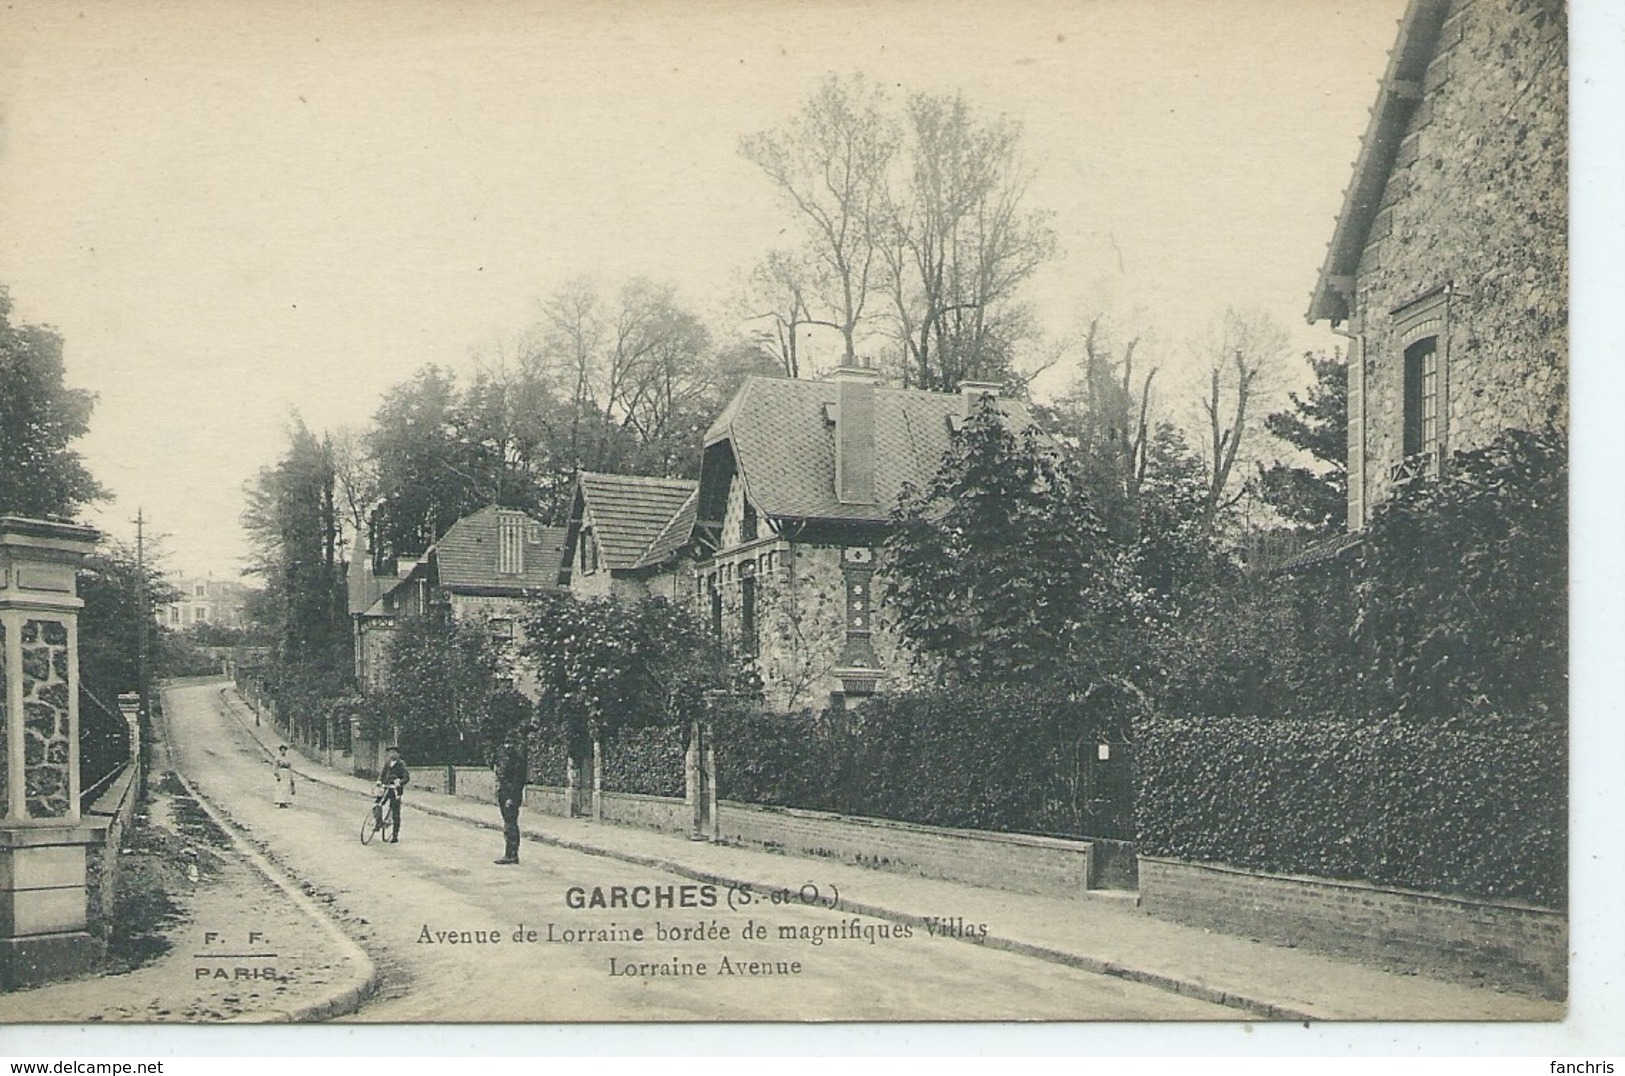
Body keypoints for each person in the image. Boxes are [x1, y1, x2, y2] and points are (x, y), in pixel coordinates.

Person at [493, 729, 527, 865]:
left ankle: (512, 854)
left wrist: (511, 798)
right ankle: (509, 853)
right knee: (508, 824)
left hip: (511, 796)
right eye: (506, 743)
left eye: (511, 743)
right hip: (504, 793)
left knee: (511, 824)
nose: (508, 746)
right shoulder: (503, 756)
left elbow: (518, 780)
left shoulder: (517, 759)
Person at [378, 744, 409, 842]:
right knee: (377, 804)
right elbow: (382, 774)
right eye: (390, 752)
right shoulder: (388, 763)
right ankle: (378, 823)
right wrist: (379, 781)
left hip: (395, 790)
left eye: (394, 752)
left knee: (396, 813)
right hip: (386, 788)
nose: (391, 754)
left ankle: (395, 835)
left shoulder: (401, 764)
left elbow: (406, 777)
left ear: (398, 754)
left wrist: (399, 782)